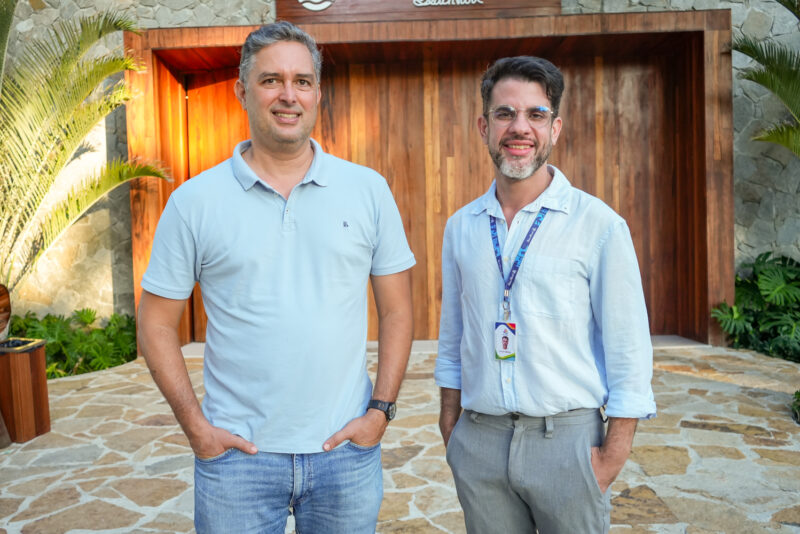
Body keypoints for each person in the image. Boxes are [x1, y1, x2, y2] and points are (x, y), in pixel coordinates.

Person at [137, 21, 415, 534]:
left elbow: (397, 310)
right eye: (271, 80)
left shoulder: (368, 190)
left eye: (302, 81)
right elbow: (155, 324)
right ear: (242, 91)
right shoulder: (194, 202)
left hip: (344, 455)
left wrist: (379, 412)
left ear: (317, 93)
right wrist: (196, 427)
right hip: (236, 460)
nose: (289, 95)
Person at [435, 56, 656, 534]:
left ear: (554, 128)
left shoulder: (599, 226)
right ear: (483, 126)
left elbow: (629, 350)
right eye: (505, 113)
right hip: (480, 442)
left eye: (535, 114)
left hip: (568, 445)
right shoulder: (461, 227)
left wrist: (610, 458)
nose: (520, 127)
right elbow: (453, 336)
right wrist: (452, 428)